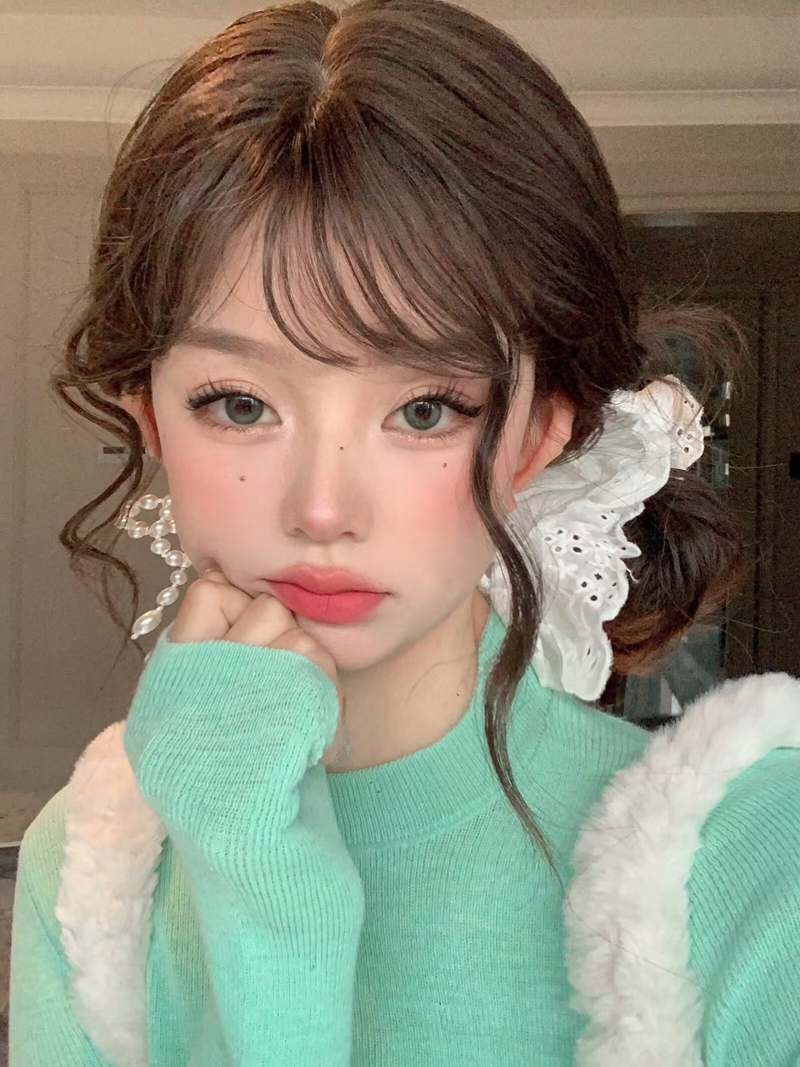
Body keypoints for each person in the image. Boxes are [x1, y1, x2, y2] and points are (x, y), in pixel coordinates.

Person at [9, 1, 800, 1064]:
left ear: (540, 434)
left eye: (425, 408)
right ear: (149, 420)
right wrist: (253, 885)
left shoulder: (754, 858)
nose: (321, 507)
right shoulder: (95, 861)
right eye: (239, 403)